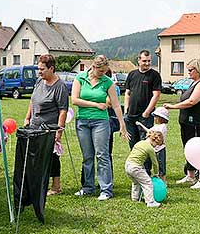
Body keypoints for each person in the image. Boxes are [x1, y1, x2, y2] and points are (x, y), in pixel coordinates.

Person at [72, 55, 129, 201]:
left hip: (101, 123)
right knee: (87, 156)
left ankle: (106, 190)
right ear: (93, 66)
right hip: (82, 121)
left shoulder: (107, 82)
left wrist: (122, 125)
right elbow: (75, 100)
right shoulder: (80, 78)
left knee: (102, 155)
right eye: (100, 71)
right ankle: (88, 187)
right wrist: (96, 105)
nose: (102, 74)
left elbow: (116, 105)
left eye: (105, 71)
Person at [24, 54, 69, 196]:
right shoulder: (39, 81)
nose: (40, 72)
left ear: (51, 68)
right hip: (35, 126)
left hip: (50, 127)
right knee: (35, 156)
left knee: (52, 157)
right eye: (39, 69)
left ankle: (56, 186)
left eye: (42, 69)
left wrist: (59, 131)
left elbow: (63, 110)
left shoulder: (59, 86)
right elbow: (32, 100)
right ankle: (38, 182)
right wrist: (27, 118)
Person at [164, 59, 200, 189]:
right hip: (186, 122)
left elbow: (191, 102)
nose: (188, 73)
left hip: (196, 122)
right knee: (188, 149)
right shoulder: (193, 83)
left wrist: (173, 106)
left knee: (198, 150)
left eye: (190, 70)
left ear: (198, 70)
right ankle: (190, 175)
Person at [124, 50, 162, 152]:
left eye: (149, 61)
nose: (147, 63)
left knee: (146, 145)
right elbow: (127, 93)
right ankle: (136, 166)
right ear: (139, 60)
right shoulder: (132, 74)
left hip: (145, 117)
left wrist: (146, 112)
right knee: (133, 145)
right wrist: (126, 111)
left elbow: (156, 95)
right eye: (144, 61)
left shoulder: (154, 75)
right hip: (130, 116)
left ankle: (146, 168)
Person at [125, 130, 163, 208]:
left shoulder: (139, 143)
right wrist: (156, 174)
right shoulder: (150, 148)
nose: (155, 147)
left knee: (136, 182)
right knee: (148, 183)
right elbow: (155, 163)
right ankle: (150, 202)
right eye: (156, 145)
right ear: (154, 140)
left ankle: (135, 198)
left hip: (128, 165)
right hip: (136, 167)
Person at [135, 106, 169, 182]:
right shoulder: (156, 126)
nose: (154, 118)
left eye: (156, 117)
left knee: (161, 166)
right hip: (153, 149)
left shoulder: (163, 127)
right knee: (155, 163)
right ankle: (157, 178)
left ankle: (163, 181)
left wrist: (151, 135)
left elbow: (157, 134)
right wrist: (140, 125)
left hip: (160, 150)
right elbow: (149, 131)